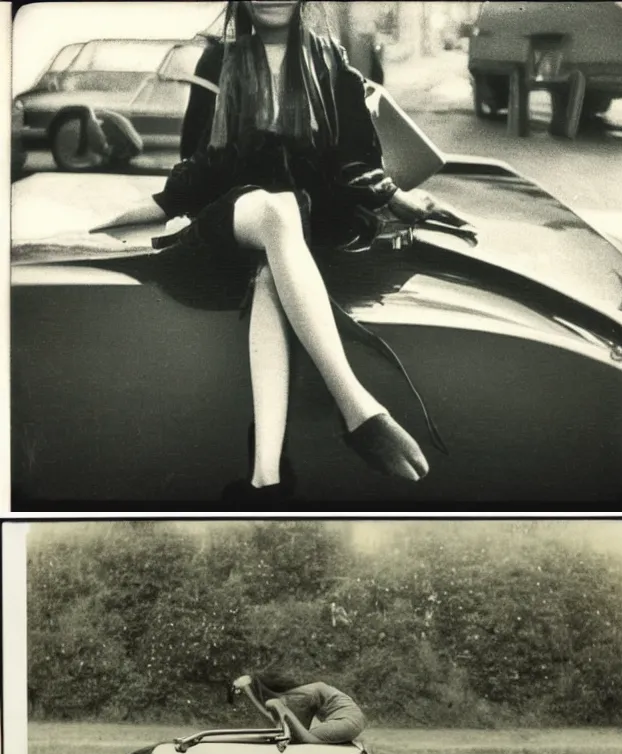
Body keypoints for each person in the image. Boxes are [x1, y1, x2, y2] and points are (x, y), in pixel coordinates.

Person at [89, 1, 451, 506]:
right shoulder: (217, 62)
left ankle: (265, 481)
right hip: (234, 218)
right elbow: (195, 169)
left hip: (306, 229)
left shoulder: (331, 60)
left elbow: (354, 160)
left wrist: (396, 197)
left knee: (272, 274)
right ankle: (359, 409)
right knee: (276, 211)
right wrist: (110, 221)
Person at [233, 672, 367, 744]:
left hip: (348, 721)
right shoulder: (307, 691)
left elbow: (300, 735)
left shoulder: (302, 694)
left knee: (307, 741)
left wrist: (252, 695)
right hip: (354, 719)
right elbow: (294, 726)